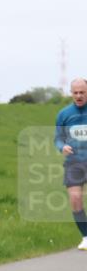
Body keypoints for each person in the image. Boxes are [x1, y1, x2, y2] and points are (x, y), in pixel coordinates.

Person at [55, 78, 87, 251]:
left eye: (82, 92)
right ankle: (86, 236)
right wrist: (62, 146)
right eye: (75, 92)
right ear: (71, 93)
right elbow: (58, 138)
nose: (79, 96)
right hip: (74, 162)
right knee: (75, 199)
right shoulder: (64, 114)